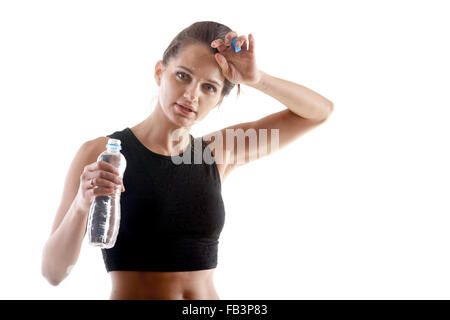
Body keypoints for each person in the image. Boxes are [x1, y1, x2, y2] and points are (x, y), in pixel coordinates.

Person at [41, 21, 334, 300]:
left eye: (209, 87)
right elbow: (53, 273)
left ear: (219, 99)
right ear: (159, 72)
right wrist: (81, 202)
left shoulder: (216, 152)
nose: (191, 95)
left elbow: (319, 112)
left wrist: (258, 79)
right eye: (183, 76)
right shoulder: (106, 153)